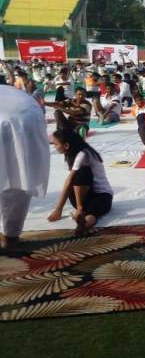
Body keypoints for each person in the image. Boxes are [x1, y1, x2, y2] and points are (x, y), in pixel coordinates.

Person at [0, 86, 49, 248]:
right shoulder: (20, 97)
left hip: (22, 123)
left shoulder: (16, 98)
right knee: (19, 180)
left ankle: (10, 236)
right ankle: (11, 235)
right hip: (27, 125)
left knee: (15, 182)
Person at [48, 129, 113, 235]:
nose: (54, 146)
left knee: (83, 172)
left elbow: (69, 181)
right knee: (90, 213)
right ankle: (82, 219)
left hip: (102, 196)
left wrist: (60, 208)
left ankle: (82, 222)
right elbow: (70, 184)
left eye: (55, 144)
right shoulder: (71, 155)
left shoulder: (83, 154)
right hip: (84, 198)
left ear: (66, 146)